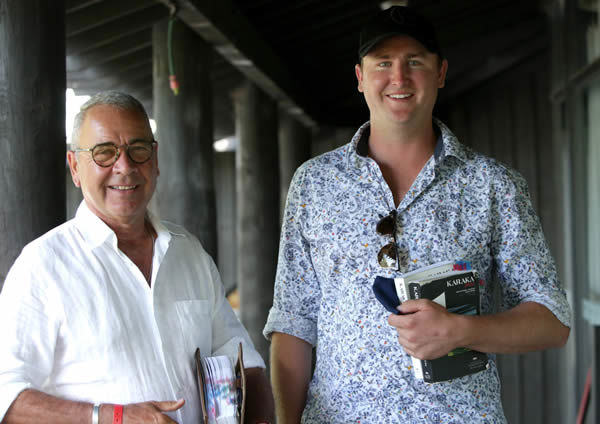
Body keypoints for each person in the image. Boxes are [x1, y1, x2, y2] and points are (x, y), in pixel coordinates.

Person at [263, 6, 571, 424]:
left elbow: (552, 320)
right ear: (359, 77)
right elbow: (294, 322)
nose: (399, 78)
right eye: (383, 63)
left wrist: (461, 331)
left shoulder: (493, 185)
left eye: (415, 62)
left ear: (440, 72)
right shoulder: (314, 184)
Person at [0, 91, 274, 424]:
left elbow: (241, 359)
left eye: (138, 150)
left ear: (155, 160)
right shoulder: (42, 265)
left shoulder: (188, 252)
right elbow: (6, 396)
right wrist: (114, 417)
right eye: (104, 153)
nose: (125, 166)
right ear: (75, 166)